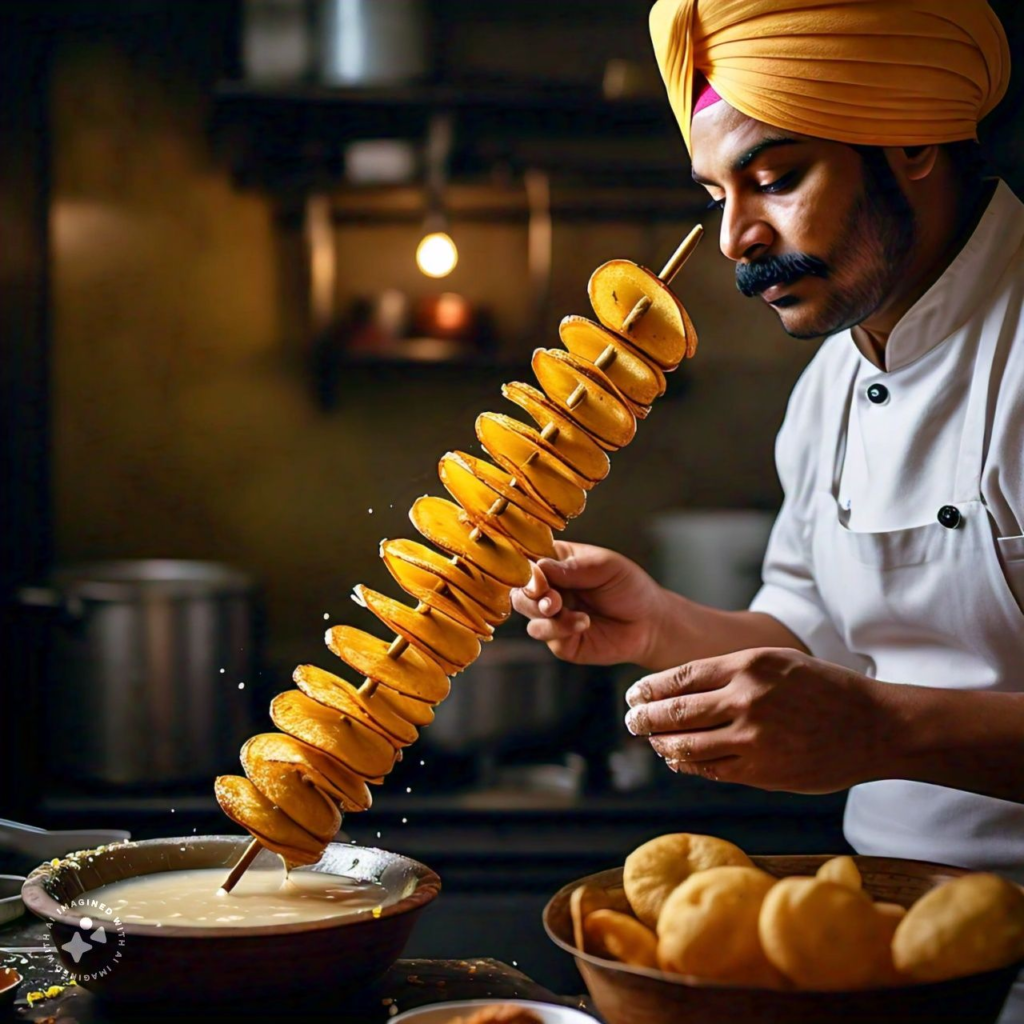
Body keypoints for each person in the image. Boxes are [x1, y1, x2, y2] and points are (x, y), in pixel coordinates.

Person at [513, 2, 1024, 1017]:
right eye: (715, 193)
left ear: (914, 137)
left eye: (776, 178)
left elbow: (859, 707)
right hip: (877, 942)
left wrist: (884, 730)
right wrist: (657, 623)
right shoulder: (829, 387)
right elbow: (815, 639)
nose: (737, 238)